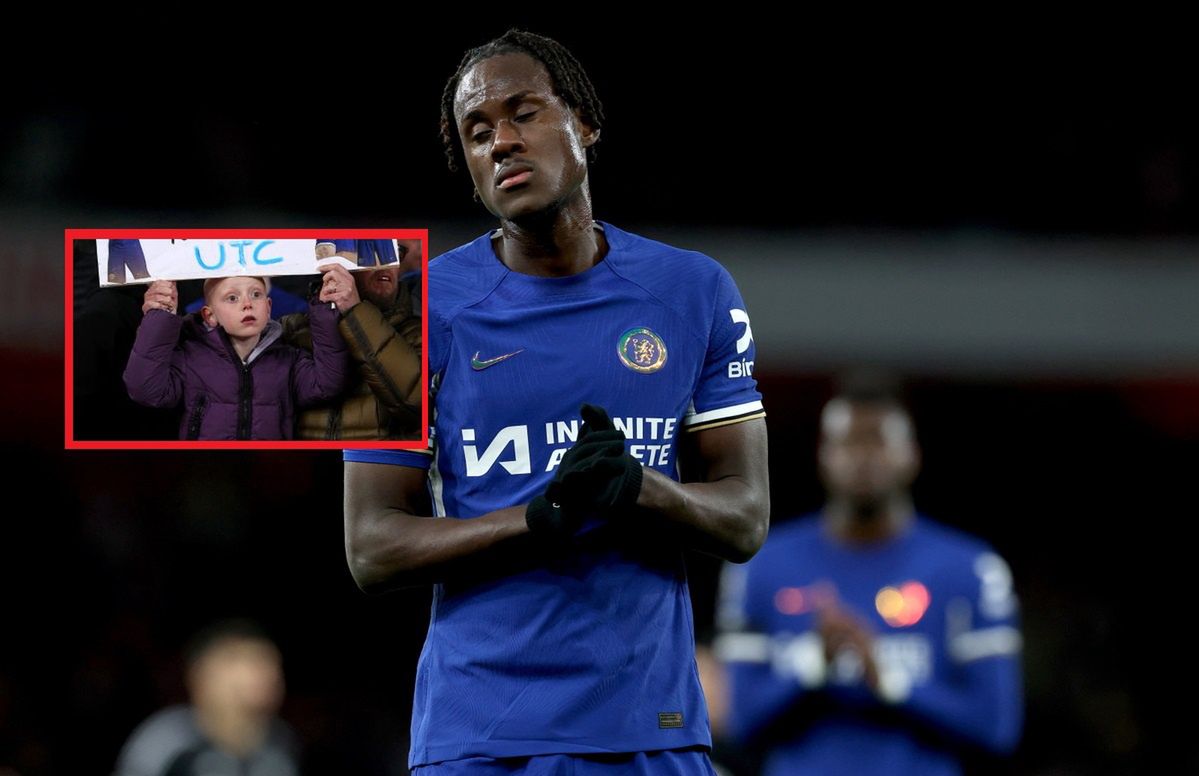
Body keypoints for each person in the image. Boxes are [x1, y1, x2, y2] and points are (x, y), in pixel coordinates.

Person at [342, 29, 769, 775]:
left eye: (524, 113)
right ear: (468, 167)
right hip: (477, 738)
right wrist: (539, 519)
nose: (502, 141)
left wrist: (642, 488)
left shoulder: (693, 291)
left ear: (585, 123)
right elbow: (371, 548)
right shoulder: (401, 313)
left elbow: (744, 518)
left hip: (652, 732)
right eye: (478, 133)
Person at [714, 383, 1023, 776]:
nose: (863, 457)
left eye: (879, 441)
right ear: (823, 457)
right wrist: (814, 666)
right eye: (847, 443)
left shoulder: (972, 568)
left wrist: (891, 681)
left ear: (911, 456)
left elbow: (997, 728)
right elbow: (737, 722)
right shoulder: (760, 566)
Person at [123, 273, 349, 440]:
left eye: (256, 294)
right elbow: (145, 389)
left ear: (268, 307)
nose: (247, 304)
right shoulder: (190, 357)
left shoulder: (288, 359)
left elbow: (327, 384)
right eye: (232, 298)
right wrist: (160, 317)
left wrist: (323, 310)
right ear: (210, 316)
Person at [113, 620, 299, 776]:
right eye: (237, 661)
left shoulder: (281, 742)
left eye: (270, 662)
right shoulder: (169, 740)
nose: (260, 674)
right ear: (201, 675)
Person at [282, 255, 423, 440]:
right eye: (370, 256)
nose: (385, 264)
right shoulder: (292, 330)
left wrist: (355, 311)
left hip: (376, 466)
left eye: (394, 253)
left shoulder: (418, 332)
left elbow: (416, 405)